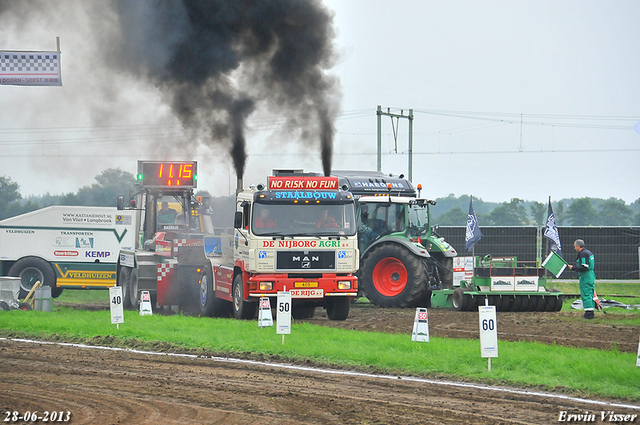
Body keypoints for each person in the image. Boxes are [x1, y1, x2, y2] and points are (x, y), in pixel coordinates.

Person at [568, 239, 596, 319]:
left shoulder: (583, 254)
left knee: (586, 294)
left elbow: (584, 266)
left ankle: (588, 314)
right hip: (591, 275)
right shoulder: (589, 252)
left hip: (585, 277)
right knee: (590, 294)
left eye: (575, 246)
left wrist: (573, 268)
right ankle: (591, 312)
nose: (574, 248)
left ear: (578, 246)